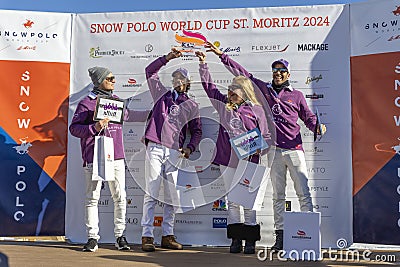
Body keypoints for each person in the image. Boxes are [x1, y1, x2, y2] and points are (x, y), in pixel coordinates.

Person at [205, 41, 326, 251]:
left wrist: (318, 126)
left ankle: (310, 236)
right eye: (275, 70)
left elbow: (307, 117)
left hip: (294, 148)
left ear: (288, 74)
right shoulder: (264, 90)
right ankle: (280, 238)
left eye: (282, 70)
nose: (278, 73)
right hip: (273, 151)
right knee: (278, 196)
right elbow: (244, 75)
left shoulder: (296, 95)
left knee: (303, 192)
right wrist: (221, 56)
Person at [195, 50, 270, 254]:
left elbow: (267, 138)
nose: (230, 95)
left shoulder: (257, 110)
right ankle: (236, 239)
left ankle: (251, 240)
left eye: (234, 92)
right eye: (229, 91)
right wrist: (203, 65)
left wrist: (255, 148)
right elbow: (210, 89)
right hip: (228, 161)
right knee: (233, 201)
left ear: (244, 92)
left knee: (249, 202)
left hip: (250, 161)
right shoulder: (224, 108)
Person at [69, 66, 149, 252]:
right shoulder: (86, 103)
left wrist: (152, 114)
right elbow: (74, 129)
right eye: (110, 78)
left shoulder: (115, 101)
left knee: (120, 197)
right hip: (93, 156)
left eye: (114, 78)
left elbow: (129, 116)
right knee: (92, 197)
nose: (113, 81)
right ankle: (92, 238)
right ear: (100, 81)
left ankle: (120, 236)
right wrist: (94, 127)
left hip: (116, 156)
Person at [141, 48, 202, 252]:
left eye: (182, 78)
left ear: (188, 82)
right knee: (151, 192)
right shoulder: (162, 95)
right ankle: (147, 235)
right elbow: (150, 71)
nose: (178, 80)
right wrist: (167, 57)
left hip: (175, 151)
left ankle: (167, 235)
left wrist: (190, 148)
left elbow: (197, 131)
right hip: (156, 148)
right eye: (175, 77)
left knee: (171, 196)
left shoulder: (192, 104)